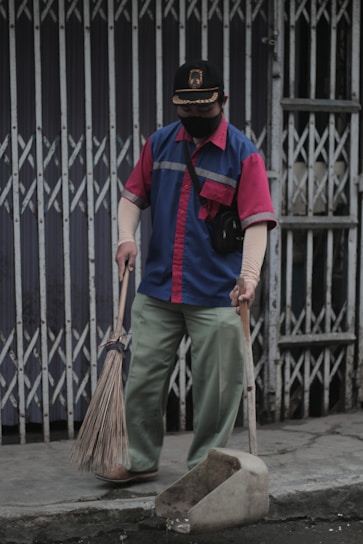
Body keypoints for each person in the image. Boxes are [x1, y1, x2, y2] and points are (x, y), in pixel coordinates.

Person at [96, 59, 277, 484]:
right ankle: (140, 459)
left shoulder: (243, 155)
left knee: (217, 391)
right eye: (186, 108)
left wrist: (248, 277)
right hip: (159, 288)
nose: (194, 116)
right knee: (142, 379)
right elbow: (131, 197)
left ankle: (204, 467)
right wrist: (125, 237)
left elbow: (257, 224)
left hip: (217, 293)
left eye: (203, 107)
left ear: (222, 101)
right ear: (176, 104)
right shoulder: (159, 144)